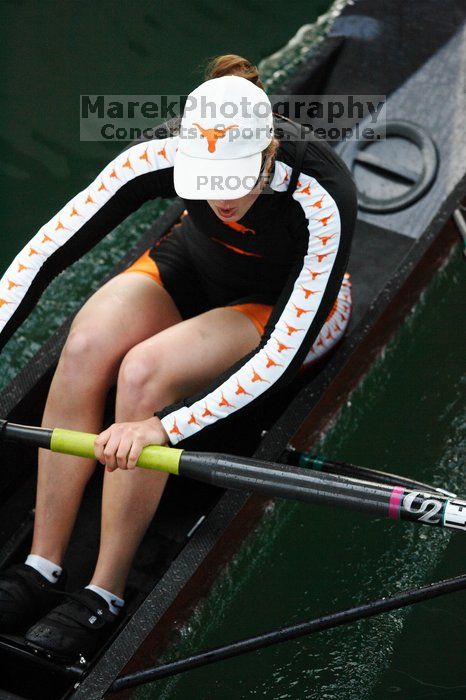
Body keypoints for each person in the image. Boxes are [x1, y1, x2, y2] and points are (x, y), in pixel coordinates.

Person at [0, 55, 357, 660]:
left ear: (268, 154)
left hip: (282, 309)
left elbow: (277, 362)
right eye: (204, 181)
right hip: (188, 265)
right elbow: (41, 257)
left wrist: (165, 426)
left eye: (234, 181)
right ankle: (40, 565)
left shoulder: (320, 193)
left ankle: (104, 591)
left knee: (143, 373)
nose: (220, 197)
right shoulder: (157, 152)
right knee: (85, 345)